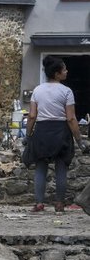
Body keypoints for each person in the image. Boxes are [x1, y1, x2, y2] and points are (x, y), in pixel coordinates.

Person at [26, 55, 89, 214]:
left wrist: (28, 136)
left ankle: (39, 203)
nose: (67, 71)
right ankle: (59, 204)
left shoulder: (37, 90)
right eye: (64, 69)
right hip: (61, 132)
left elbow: (32, 116)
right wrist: (79, 140)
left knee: (41, 168)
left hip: (41, 131)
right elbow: (71, 118)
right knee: (61, 169)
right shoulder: (66, 91)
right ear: (57, 73)